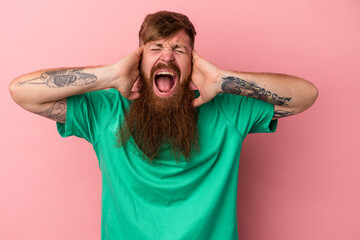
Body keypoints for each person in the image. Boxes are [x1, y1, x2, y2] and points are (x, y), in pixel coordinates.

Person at [9, 11, 318, 240]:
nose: (167, 56)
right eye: (155, 48)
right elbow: (22, 92)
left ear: (194, 63)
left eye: (179, 49)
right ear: (139, 60)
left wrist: (224, 81)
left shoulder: (228, 109)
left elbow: (305, 96)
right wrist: (111, 74)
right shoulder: (107, 110)